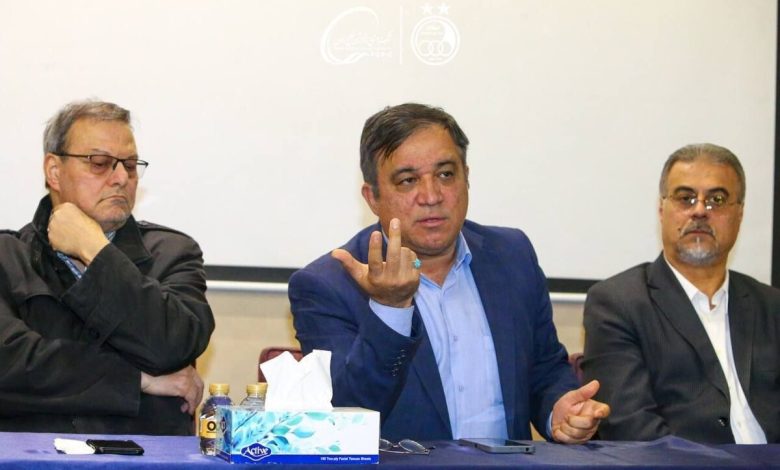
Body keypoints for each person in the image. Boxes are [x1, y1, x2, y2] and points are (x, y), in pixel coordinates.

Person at [289, 103, 609, 442]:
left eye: (445, 175)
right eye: (408, 180)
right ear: (373, 197)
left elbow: (544, 367)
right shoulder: (327, 286)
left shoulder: (512, 255)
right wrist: (390, 309)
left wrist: (558, 410)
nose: (431, 196)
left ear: (466, 177)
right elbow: (345, 416)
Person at [0, 100, 215, 435]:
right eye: (99, 163)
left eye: (130, 165)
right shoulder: (7, 256)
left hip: (143, 453)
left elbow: (172, 346)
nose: (120, 178)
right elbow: (11, 367)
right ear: (54, 171)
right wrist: (138, 379)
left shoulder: (172, 252)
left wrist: (95, 250)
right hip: (28, 451)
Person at [582, 143, 779, 444]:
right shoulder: (618, 304)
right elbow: (631, 431)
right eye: (685, 198)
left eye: (716, 199)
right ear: (662, 210)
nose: (699, 211)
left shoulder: (771, 306)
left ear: (739, 213)